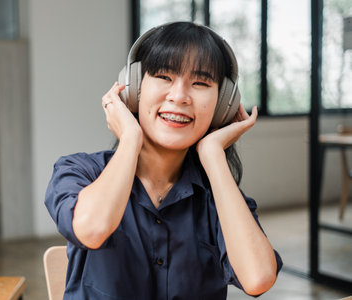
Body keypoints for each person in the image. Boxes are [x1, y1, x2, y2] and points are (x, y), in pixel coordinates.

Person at [45, 21, 282, 299]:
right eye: (164, 77)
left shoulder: (219, 198)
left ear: (222, 106)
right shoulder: (79, 172)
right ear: (134, 89)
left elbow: (258, 278)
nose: (179, 96)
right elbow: (93, 230)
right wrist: (131, 139)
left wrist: (213, 155)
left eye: (200, 83)